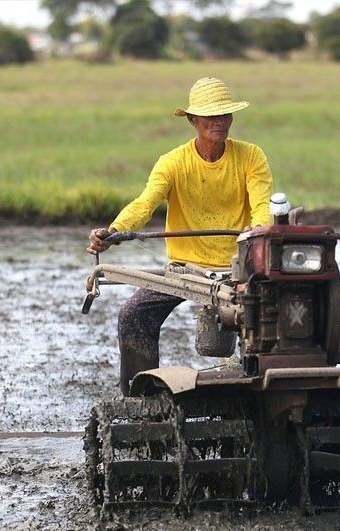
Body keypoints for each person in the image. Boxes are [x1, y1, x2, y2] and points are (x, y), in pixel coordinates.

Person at [87, 77, 273, 395]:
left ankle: (259, 392)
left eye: (224, 115)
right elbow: (145, 203)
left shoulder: (250, 156)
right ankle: (141, 397)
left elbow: (262, 210)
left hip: (239, 269)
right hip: (185, 270)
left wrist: (258, 240)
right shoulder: (173, 163)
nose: (219, 122)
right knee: (134, 313)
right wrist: (113, 231)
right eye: (210, 116)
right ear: (192, 120)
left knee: (269, 318)